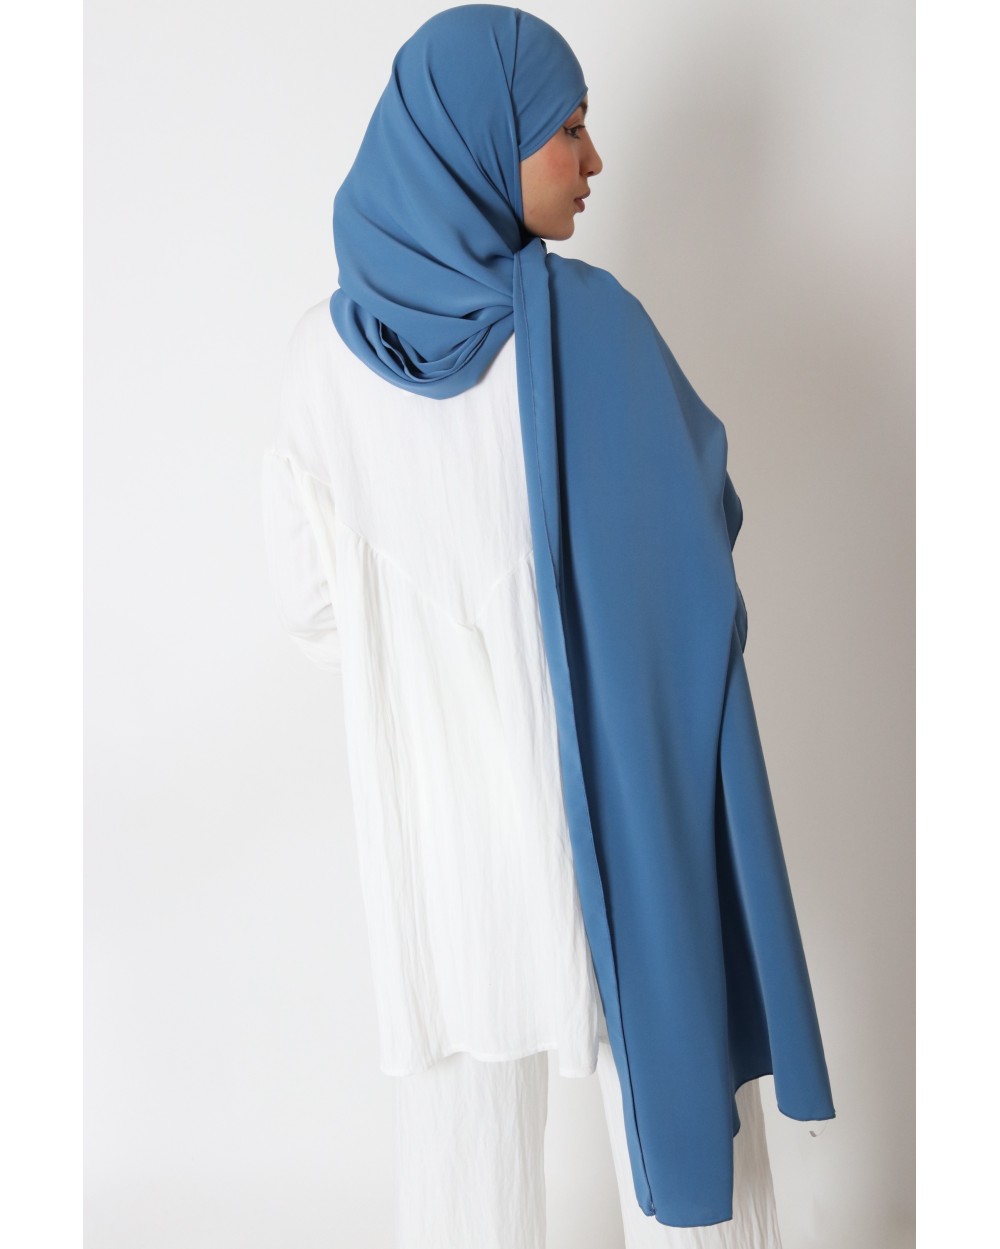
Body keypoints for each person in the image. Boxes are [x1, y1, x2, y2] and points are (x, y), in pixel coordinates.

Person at [262, 6, 834, 1246]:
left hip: (440, 842)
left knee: (461, 1147)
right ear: (478, 139)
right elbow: (701, 540)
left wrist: (429, 673)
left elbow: (308, 609)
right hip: (617, 822)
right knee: (676, 1088)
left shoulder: (316, 362)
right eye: (567, 128)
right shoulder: (590, 331)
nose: (593, 159)